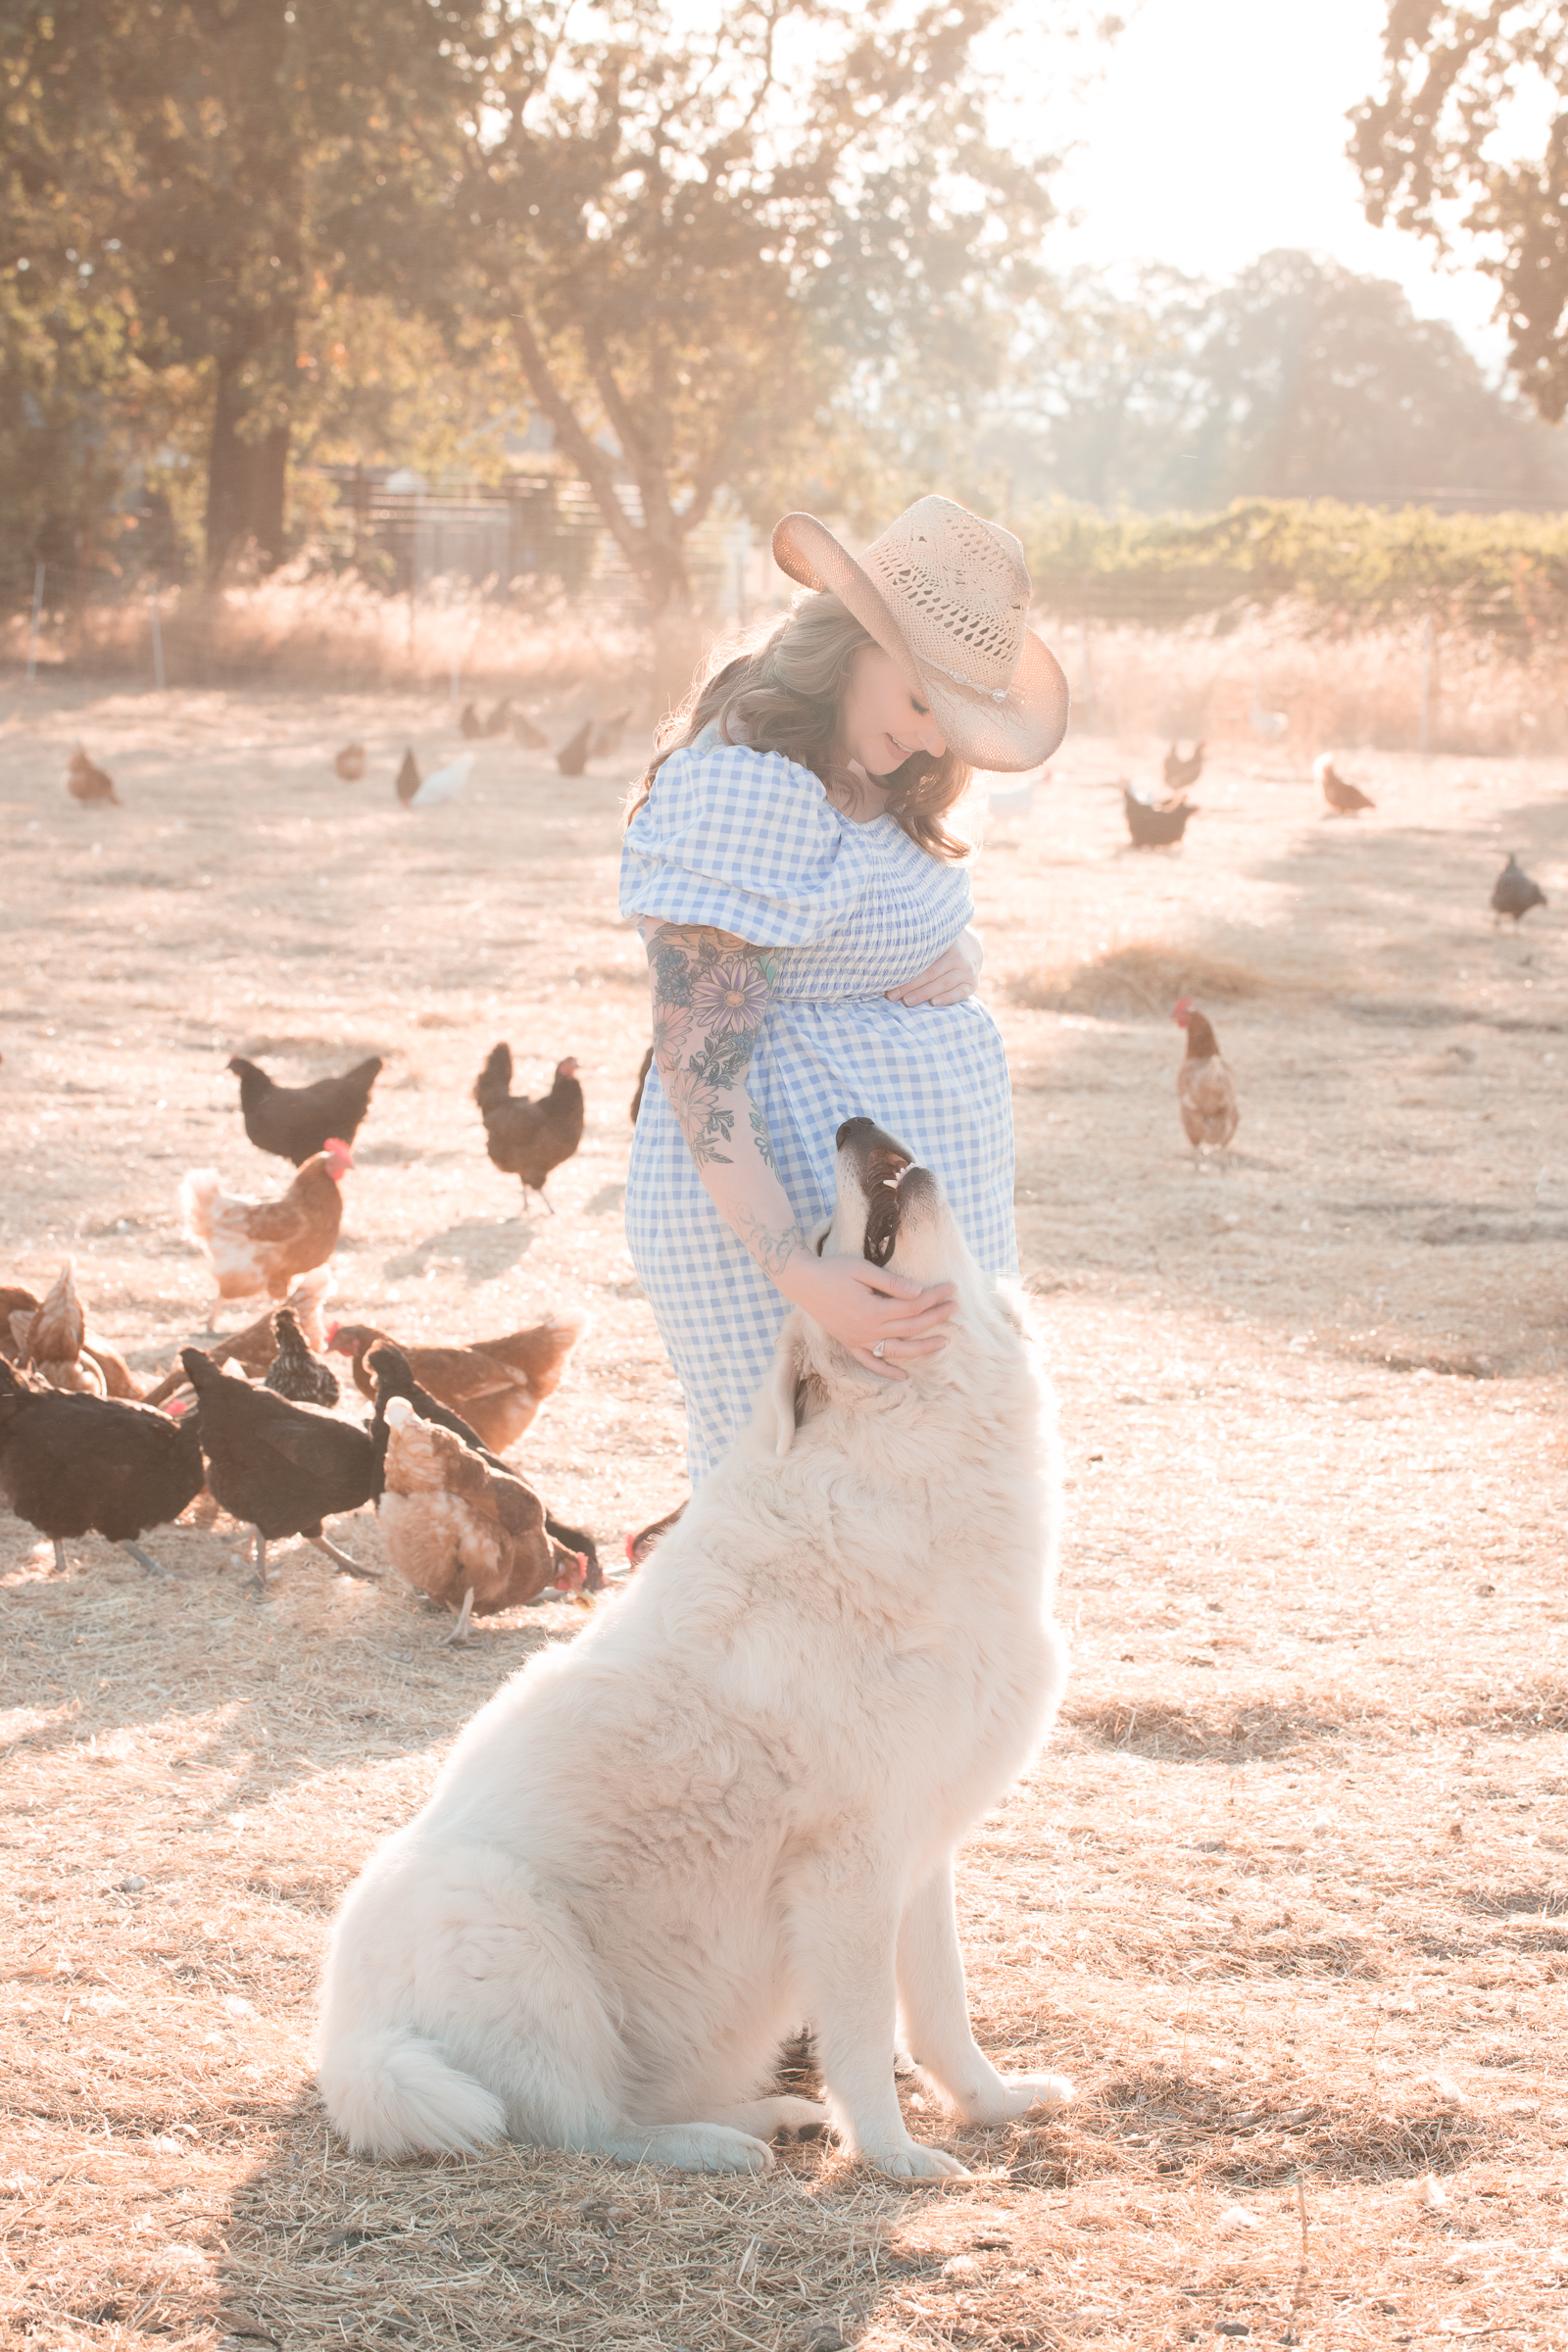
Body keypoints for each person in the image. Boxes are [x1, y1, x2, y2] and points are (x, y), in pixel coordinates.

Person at [620, 494, 1069, 1489]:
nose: (932, 745)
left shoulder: (874, 770)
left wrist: (963, 960)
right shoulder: (752, 784)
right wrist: (800, 1268)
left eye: (955, 724)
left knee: (901, 1525)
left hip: (889, 1218)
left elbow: (865, 927)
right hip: (786, 1217)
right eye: (921, 704)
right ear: (853, 643)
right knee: (794, 1518)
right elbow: (701, 1058)